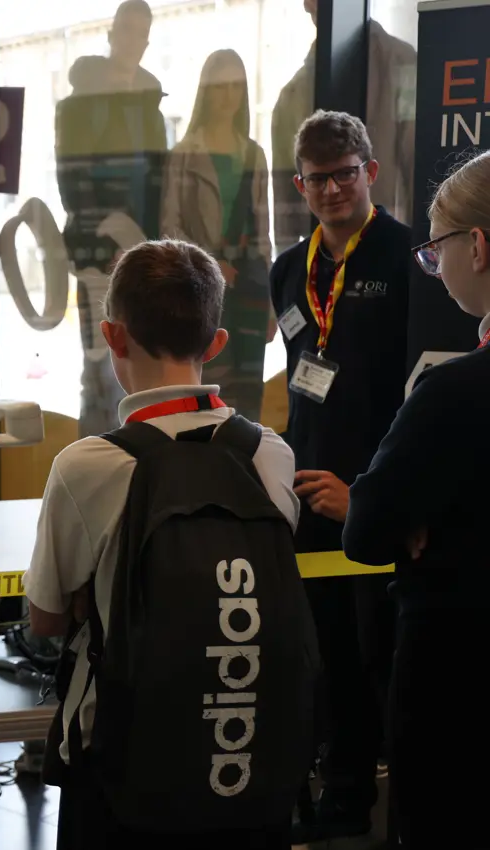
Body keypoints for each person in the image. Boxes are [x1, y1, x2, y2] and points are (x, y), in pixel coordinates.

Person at [25, 239, 299, 848]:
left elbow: (45, 618)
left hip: (126, 770)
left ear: (113, 337)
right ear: (217, 343)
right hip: (252, 760)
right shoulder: (269, 455)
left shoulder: (87, 465)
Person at [269, 110, 411, 844]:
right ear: (301, 184)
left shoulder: (407, 257)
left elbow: (424, 391)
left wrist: (375, 490)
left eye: (344, 173)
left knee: (375, 650)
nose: (331, 189)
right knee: (319, 649)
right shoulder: (288, 269)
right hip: (306, 487)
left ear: (370, 173)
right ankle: (324, 781)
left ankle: (361, 795)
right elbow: (301, 375)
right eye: (317, 178)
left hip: (377, 491)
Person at [343, 151, 490, 848]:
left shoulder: (456, 392)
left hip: (457, 682)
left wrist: (417, 511)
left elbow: (368, 528)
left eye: (437, 252)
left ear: (479, 247)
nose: (433, 269)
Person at [54, 0, 168, 437]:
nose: (131, 40)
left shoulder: (150, 106)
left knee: (141, 365)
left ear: (145, 41)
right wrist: (111, 237)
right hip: (96, 251)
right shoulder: (78, 105)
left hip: (144, 252)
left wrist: (149, 243)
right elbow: (73, 182)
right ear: (112, 33)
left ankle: (132, 461)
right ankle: (93, 466)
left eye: (141, 32)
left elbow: (159, 183)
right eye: (125, 29)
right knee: (100, 364)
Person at [162, 48, 275, 420]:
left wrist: (272, 303)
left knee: (247, 397)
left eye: (236, 87)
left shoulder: (254, 154)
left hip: (248, 287)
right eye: (220, 86)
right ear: (205, 92)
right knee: (205, 392)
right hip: (200, 287)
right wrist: (208, 266)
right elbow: (169, 228)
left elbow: (263, 235)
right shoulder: (183, 154)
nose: (228, 96)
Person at [271, 0, 416, 253]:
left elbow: (419, 169)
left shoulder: (404, 65)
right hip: (318, 261)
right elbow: (285, 198)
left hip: (388, 251)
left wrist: (421, 253)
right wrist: (292, 263)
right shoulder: (290, 96)